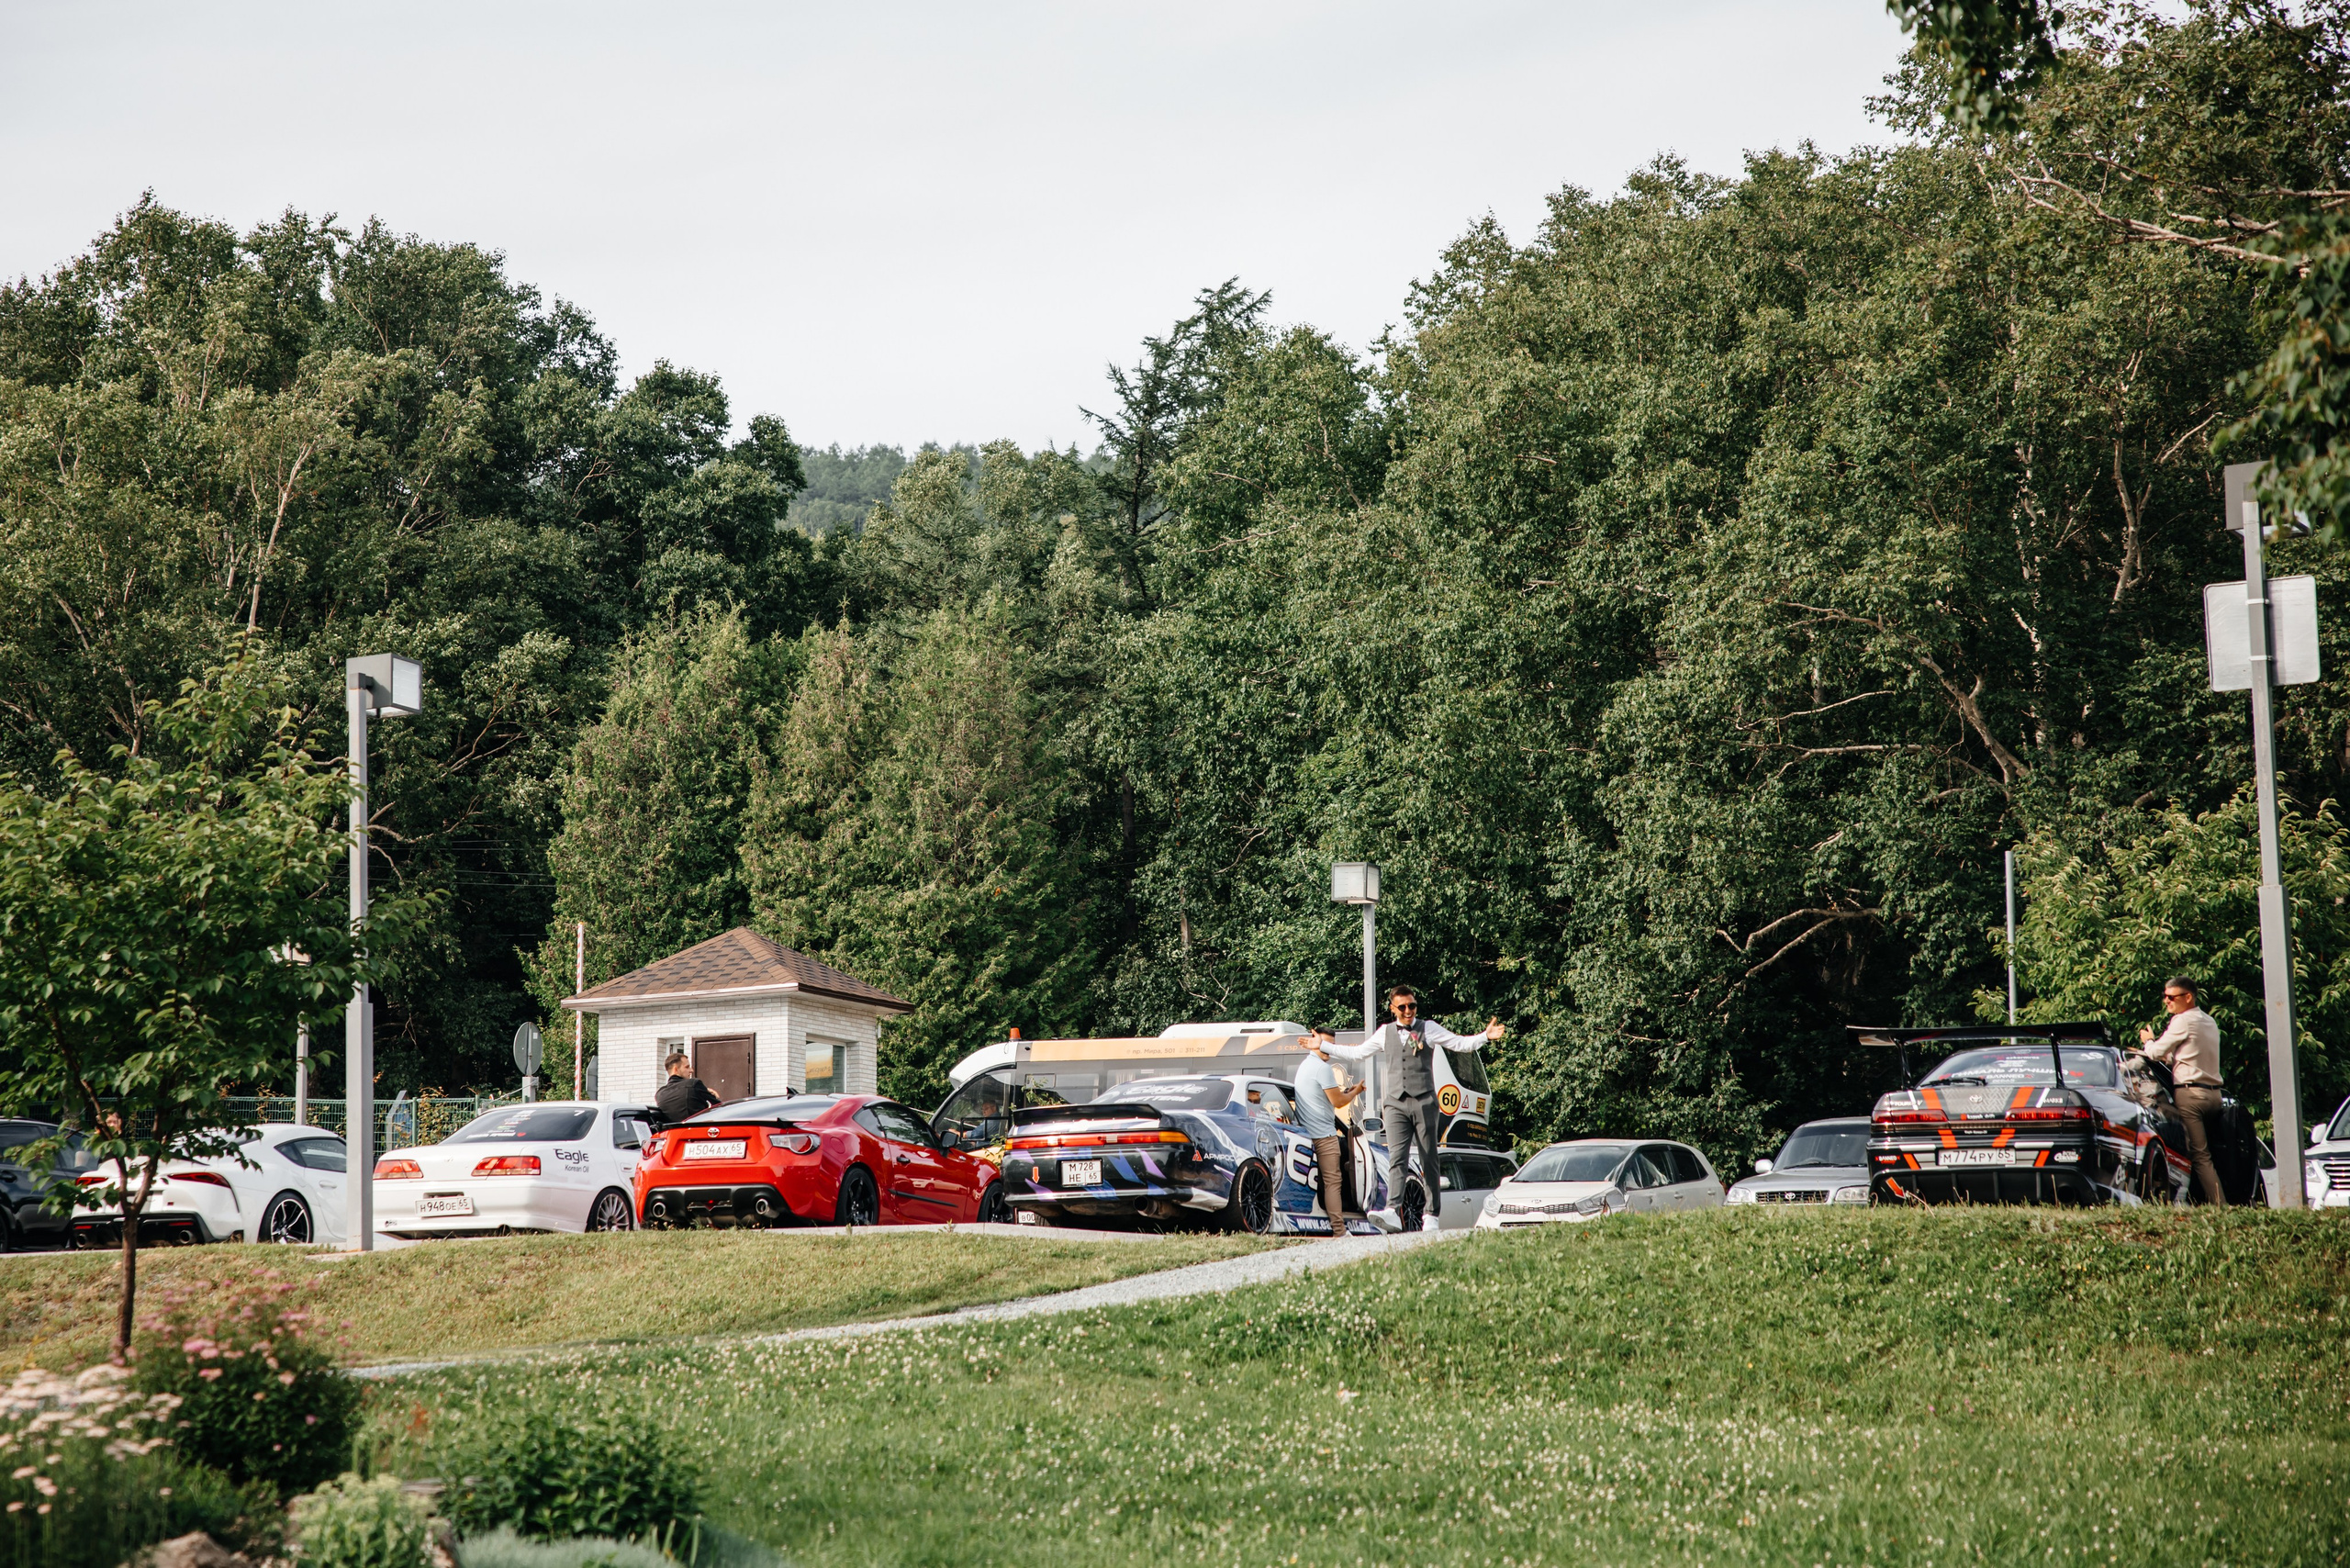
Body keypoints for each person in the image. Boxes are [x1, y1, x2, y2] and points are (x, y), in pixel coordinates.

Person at [1350, 985, 1503, 1233]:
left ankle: (1431, 1214)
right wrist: (1323, 1047)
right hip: (1395, 1103)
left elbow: (1460, 1044)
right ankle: (1392, 1210)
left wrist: (1485, 1036)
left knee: (1428, 1157)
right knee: (1396, 1158)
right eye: (1403, 1007)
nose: (1409, 1010)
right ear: (1393, 1009)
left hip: (1424, 1100)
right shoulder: (1384, 1032)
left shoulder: (1428, 1028)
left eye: (1412, 1005)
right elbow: (1357, 1053)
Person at [2135, 974, 2226, 1206]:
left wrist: (2148, 1040)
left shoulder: (2182, 1020)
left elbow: (2155, 1053)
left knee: (2198, 1155)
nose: (2166, 1001)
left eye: (2171, 997)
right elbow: (2186, 1055)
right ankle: (2203, 1200)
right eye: (2165, 997)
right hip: (2214, 1095)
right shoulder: (2208, 1021)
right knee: (2211, 1153)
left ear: (2188, 997)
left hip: (2191, 1095)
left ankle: (2219, 1205)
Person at [1294, 1025, 1366, 1238]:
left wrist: (1348, 1092)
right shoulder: (1323, 1069)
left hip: (1305, 1133)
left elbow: (1324, 1097)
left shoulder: (1304, 1066)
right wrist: (1356, 1091)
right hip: (1324, 1135)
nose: (1328, 1050)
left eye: (1331, 1046)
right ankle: (1339, 1230)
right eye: (1324, 1045)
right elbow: (1339, 1102)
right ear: (1314, 1040)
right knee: (1333, 1182)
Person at [655, 1050, 721, 1126]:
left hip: (674, 1135)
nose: (691, 1070)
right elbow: (718, 1107)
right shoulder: (694, 1084)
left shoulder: (660, 1094)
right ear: (675, 1069)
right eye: (687, 1067)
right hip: (697, 1132)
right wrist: (714, 1096)